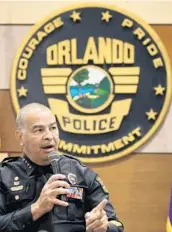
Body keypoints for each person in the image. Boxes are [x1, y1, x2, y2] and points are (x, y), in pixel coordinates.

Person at [0, 103, 124, 232]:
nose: (49, 136)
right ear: (20, 137)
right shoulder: (4, 176)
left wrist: (105, 227)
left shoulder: (82, 173)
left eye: (53, 128)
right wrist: (36, 209)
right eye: (39, 130)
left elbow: (117, 225)